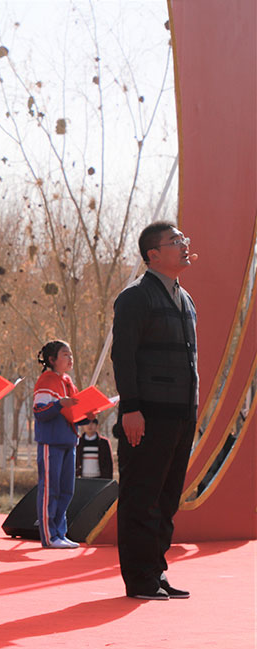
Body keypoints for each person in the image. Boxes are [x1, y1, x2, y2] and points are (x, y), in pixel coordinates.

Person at [111, 221, 197, 601]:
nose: (184, 245)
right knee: (141, 496)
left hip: (181, 414)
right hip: (146, 416)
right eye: (175, 241)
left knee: (166, 498)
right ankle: (139, 579)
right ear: (153, 254)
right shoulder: (135, 298)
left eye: (184, 239)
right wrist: (131, 407)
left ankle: (156, 571)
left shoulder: (186, 299)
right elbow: (123, 356)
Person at [33, 340, 83, 549]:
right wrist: (58, 404)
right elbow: (39, 411)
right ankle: (49, 535)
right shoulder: (46, 380)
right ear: (52, 359)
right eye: (65, 354)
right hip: (50, 442)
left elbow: (76, 412)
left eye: (71, 354)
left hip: (69, 442)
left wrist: (89, 412)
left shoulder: (68, 381)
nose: (70, 358)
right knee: (49, 489)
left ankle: (60, 532)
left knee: (66, 490)